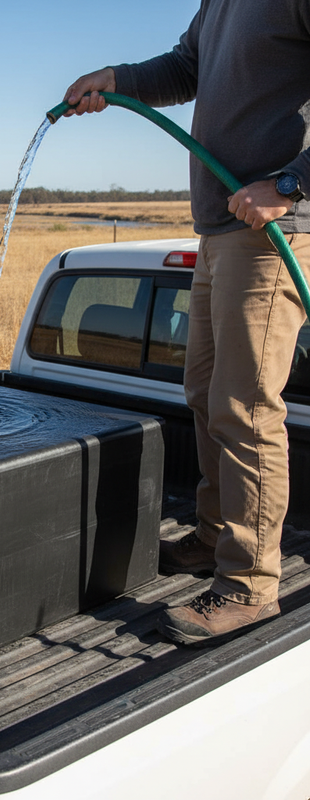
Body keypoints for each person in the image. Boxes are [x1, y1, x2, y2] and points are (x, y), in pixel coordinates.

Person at [62, 0, 310, 645]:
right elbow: (187, 66)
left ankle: (250, 585)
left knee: (246, 407)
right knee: (203, 392)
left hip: (274, 229)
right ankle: (212, 536)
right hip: (222, 228)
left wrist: (291, 183)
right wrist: (118, 80)